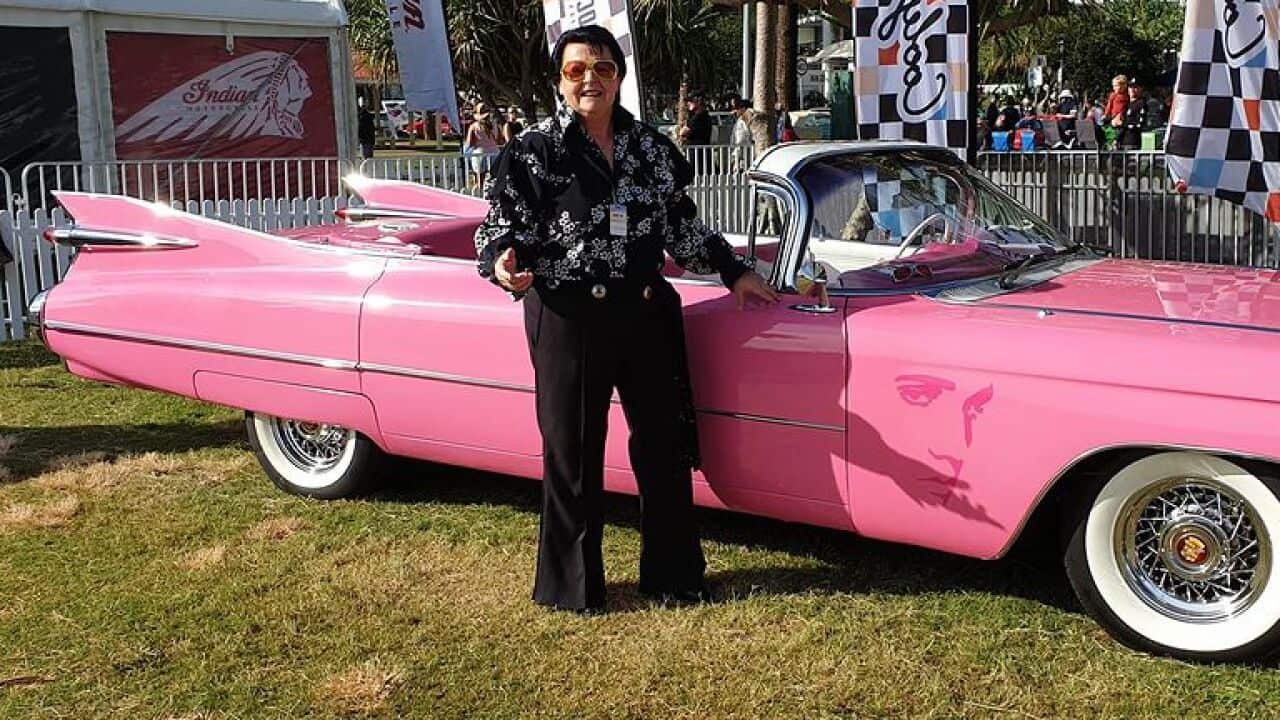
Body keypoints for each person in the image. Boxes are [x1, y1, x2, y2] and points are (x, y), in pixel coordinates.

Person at [472, 25, 778, 614]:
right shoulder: (533, 152)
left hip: (643, 312)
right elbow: (498, 230)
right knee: (574, 454)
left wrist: (732, 270)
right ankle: (573, 590)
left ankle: (674, 577)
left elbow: (681, 227)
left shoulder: (651, 149)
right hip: (568, 315)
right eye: (577, 69)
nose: (591, 79)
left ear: (620, 76)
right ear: (560, 79)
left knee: (664, 448)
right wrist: (501, 263)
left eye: (604, 68)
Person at [463, 102, 502, 189]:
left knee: (479, 180)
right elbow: (499, 140)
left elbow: (470, 143)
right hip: (495, 153)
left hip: (480, 154)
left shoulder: (474, 126)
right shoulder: (495, 125)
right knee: (494, 179)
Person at [1119, 83, 1148, 149]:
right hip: (1122, 140)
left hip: (1133, 140)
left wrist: (1123, 124)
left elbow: (1140, 124)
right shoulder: (1126, 104)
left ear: (1140, 89)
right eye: (1130, 87)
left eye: (1135, 87)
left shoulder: (1141, 103)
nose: (1132, 90)